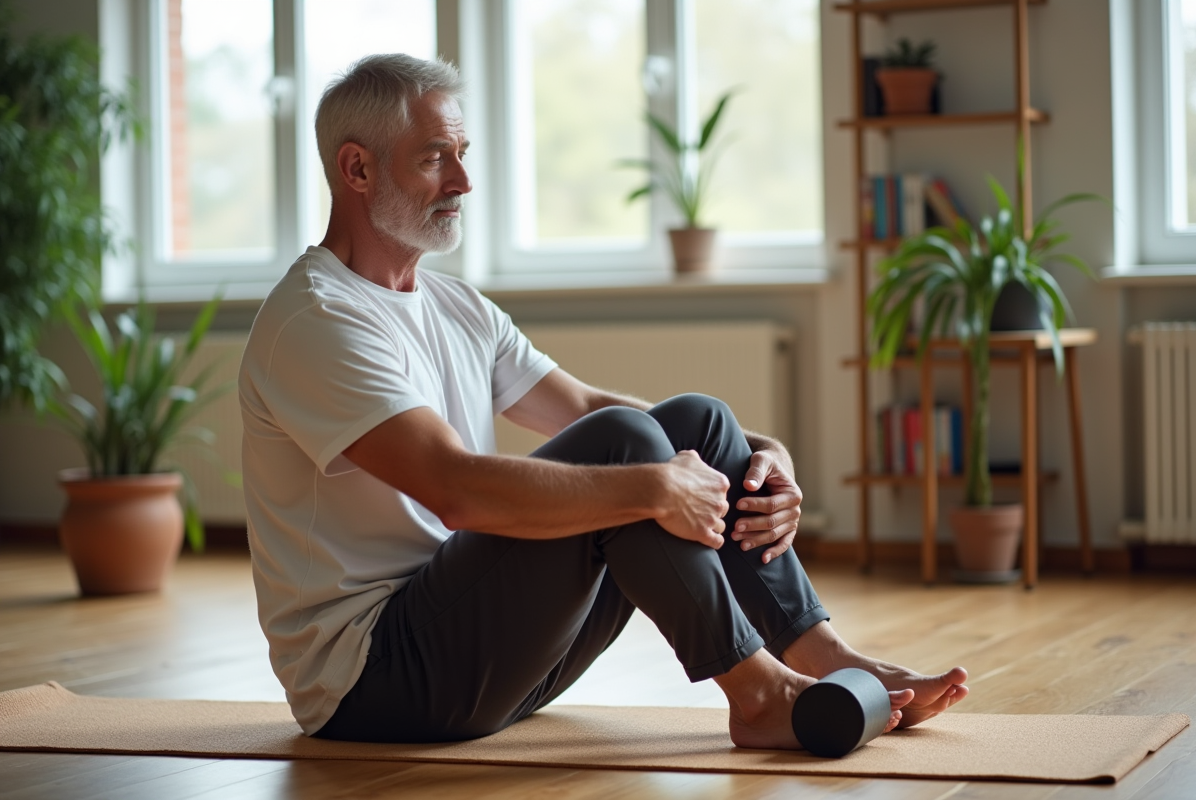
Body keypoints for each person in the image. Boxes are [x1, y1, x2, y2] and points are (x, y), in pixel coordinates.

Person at [239, 53, 968, 748]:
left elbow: (586, 406)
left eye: (465, 153)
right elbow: (454, 489)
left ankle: (825, 657)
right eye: (435, 157)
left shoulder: (455, 306)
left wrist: (755, 450)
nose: (463, 180)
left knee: (695, 422)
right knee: (631, 449)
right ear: (357, 168)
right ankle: (758, 697)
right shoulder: (316, 319)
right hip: (376, 683)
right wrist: (652, 484)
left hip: (488, 654)